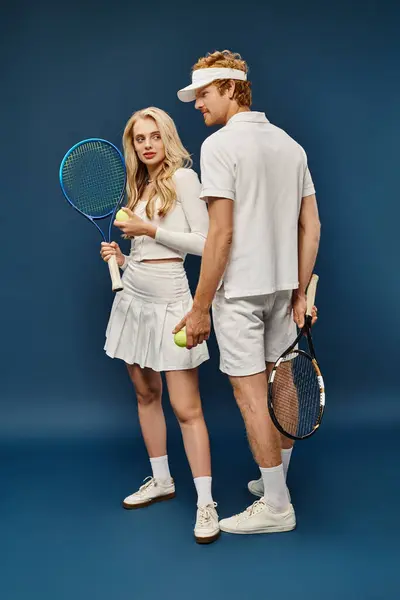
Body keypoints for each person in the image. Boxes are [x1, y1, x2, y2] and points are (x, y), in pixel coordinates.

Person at [174, 51, 321, 535]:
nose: (197, 104)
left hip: (237, 293)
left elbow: (220, 236)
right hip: (282, 288)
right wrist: (299, 292)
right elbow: (312, 227)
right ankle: (275, 482)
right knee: (281, 387)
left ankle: (277, 507)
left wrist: (199, 308)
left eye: (204, 94)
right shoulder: (292, 146)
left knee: (252, 396)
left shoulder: (219, 146)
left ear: (232, 89)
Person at [100, 107, 219, 544]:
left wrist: (147, 226)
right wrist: (123, 257)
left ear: (167, 138)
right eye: (139, 139)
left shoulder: (185, 179)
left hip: (172, 302)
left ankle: (206, 503)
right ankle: (162, 480)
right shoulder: (140, 185)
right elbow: (150, 253)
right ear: (133, 146)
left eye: (154, 136)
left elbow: (205, 244)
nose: (147, 144)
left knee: (187, 409)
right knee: (145, 394)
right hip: (133, 298)